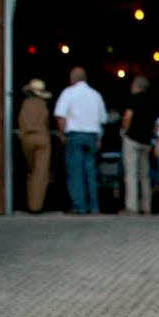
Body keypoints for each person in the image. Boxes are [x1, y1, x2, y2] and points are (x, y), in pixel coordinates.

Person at [54, 67, 107, 214]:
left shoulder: (68, 93)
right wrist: (99, 138)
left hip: (75, 136)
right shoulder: (96, 95)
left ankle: (79, 206)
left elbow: (61, 116)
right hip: (92, 137)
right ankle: (94, 206)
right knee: (91, 172)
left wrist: (61, 134)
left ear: (72, 79)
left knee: (76, 172)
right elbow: (103, 119)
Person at [120, 76, 156, 214]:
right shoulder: (151, 101)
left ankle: (132, 206)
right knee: (145, 175)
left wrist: (124, 130)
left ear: (136, 86)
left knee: (131, 173)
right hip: (146, 142)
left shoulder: (133, 99)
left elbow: (128, 117)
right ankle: (147, 206)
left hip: (132, 140)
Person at [18, 79, 52, 213]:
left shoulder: (25, 104)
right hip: (42, 138)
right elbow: (46, 123)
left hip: (27, 138)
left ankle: (29, 202)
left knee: (31, 170)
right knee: (40, 173)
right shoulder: (43, 105)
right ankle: (36, 206)